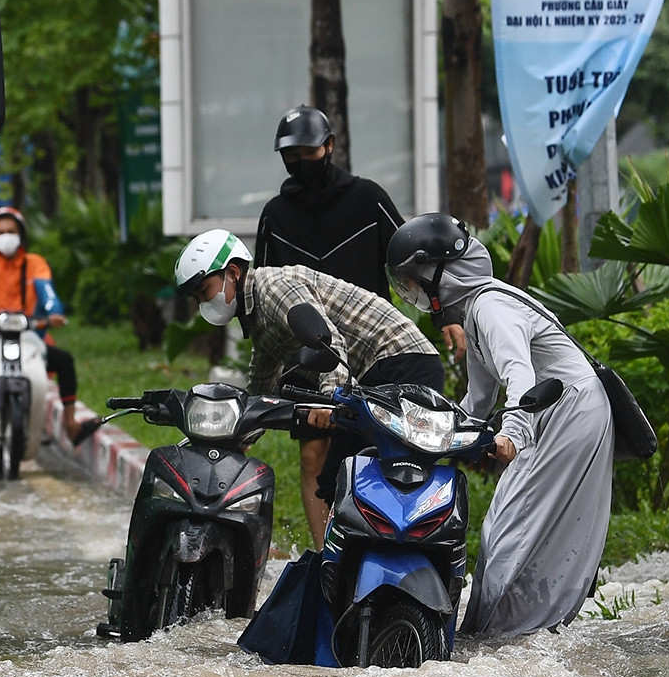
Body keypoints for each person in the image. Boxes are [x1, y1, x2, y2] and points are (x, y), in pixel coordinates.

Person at [387, 213, 614, 637]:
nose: (412, 290)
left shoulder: (490, 307)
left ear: (440, 272)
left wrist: (512, 435)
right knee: (518, 527)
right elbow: (477, 399)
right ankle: (512, 631)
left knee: (512, 525)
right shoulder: (476, 311)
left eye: (414, 278)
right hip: (562, 411)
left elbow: (519, 375)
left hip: (567, 410)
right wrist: (428, 435)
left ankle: (495, 637)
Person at [255, 106, 462, 545]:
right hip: (310, 352)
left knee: (379, 446)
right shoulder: (276, 215)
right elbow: (262, 289)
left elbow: (413, 259)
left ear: (329, 147)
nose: (300, 160)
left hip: (372, 349)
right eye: (291, 154)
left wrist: (447, 314)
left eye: (308, 150)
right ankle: (324, 553)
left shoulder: (367, 199)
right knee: (314, 452)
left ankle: (380, 538)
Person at [174, 229, 442, 547]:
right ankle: (345, 566)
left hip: (399, 362)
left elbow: (328, 342)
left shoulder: (274, 287)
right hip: (378, 373)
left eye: (204, 290)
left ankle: (338, 564)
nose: (204, 301)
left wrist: (328, 400)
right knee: (349, 479)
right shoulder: (257, 316)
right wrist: (232, 435)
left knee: (344, 479)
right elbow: (261, 386)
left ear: (233, 272)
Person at [0, 206, 83, 443]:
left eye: (11, 230)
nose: (6, 236)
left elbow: (47, 292)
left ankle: (70, 422)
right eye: (0, 231)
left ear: (21, 234)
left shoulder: (35, 263)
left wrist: (54, 312)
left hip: (28, 334)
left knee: (64, 361)